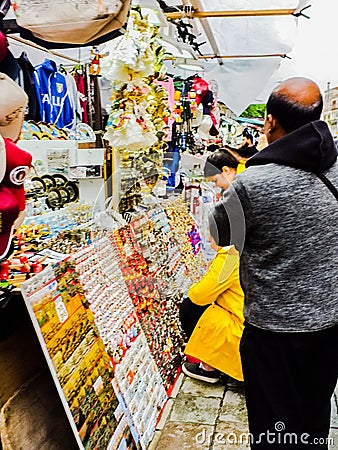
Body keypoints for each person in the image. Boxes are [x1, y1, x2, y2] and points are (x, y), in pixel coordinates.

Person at [219, 77, 338, 448]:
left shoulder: (252, 183)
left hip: (273, 332)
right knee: (315, 416)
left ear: (270, 121)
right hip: (329, 325)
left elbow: (222, 234)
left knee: (274, 427)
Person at [180, 207, 244, 384]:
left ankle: (209, 367)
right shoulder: (243, 248)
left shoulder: (230, 257)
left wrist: (191, 287)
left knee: (189, 308)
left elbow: (200, 296)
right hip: (254, 326)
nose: (207, 238)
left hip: (241, 332)